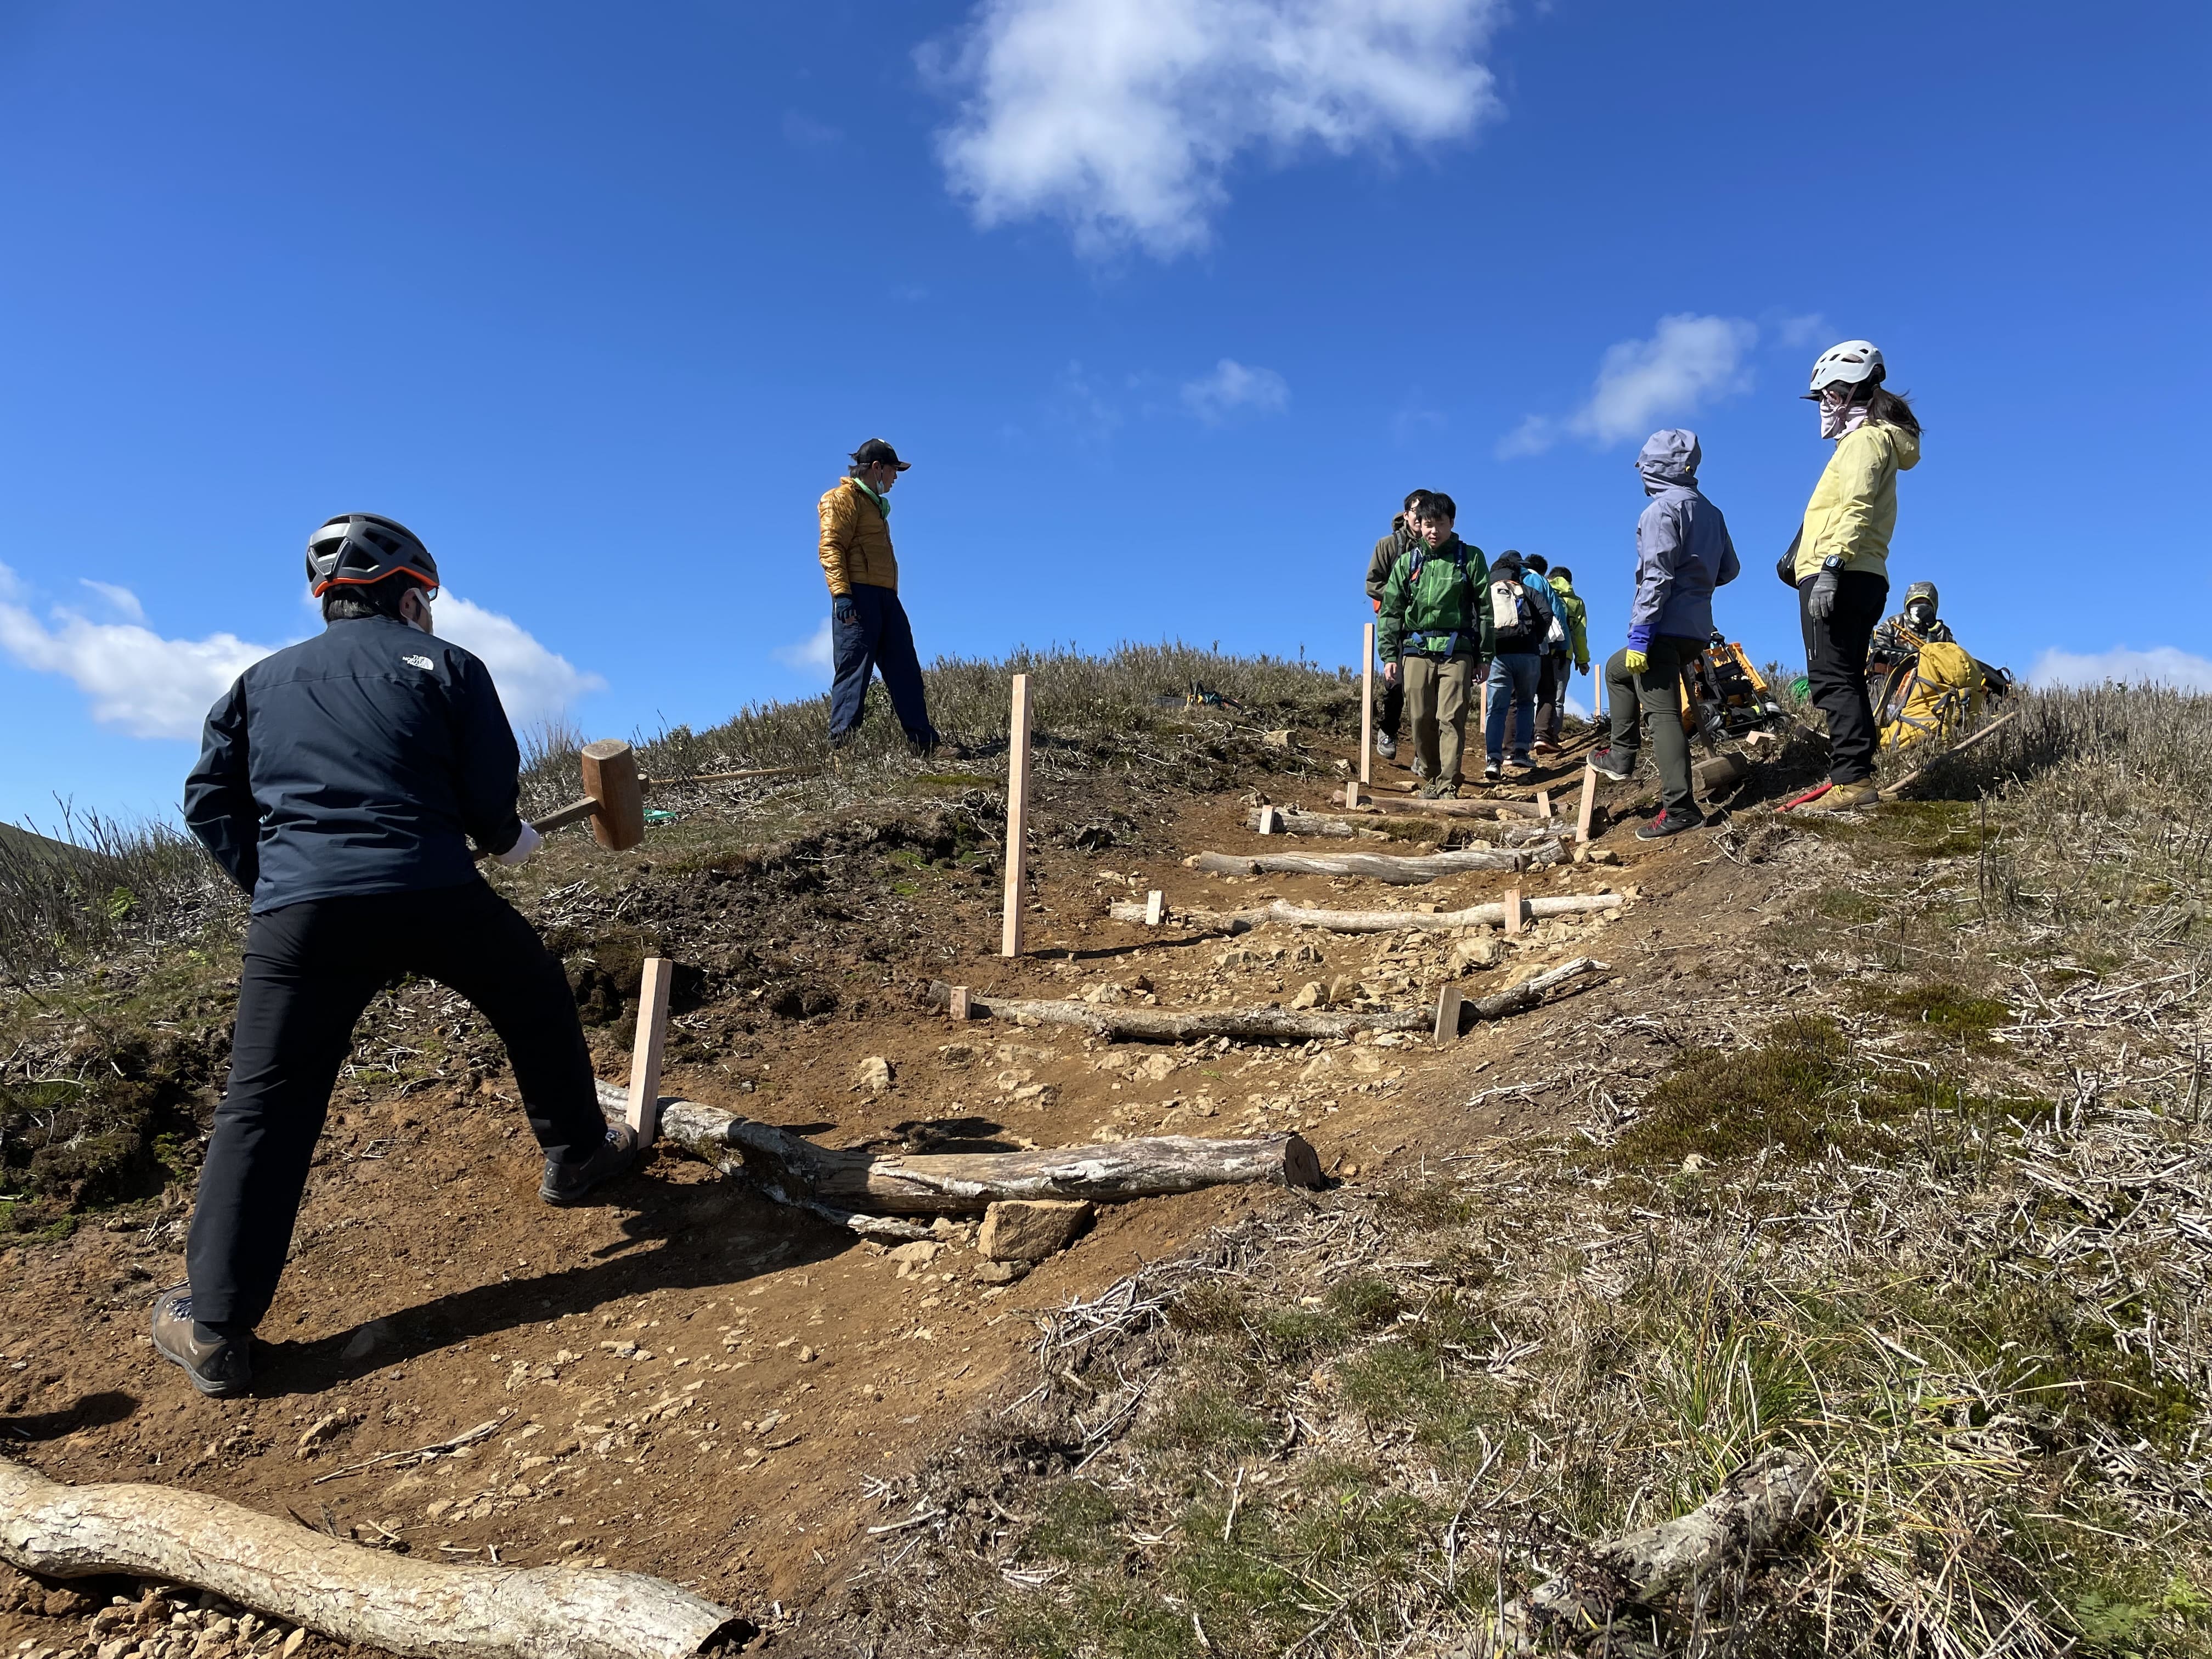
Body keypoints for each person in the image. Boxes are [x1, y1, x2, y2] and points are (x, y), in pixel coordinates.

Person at [160, 515, 636, 1399]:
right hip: (431, 890)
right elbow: (489, 794)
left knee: (264, 1101)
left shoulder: (254, 684)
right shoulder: (448, 665)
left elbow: (208, 801)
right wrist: (506, 837)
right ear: (412, 594)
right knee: (532, 994)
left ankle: (217, 1328)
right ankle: (577, 1155)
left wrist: (280, 884)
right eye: (427, 597)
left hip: (299, 916)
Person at [1781, 341, 1921, 812]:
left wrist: (1829, 569)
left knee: (1831, 679)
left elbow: (1856, 508)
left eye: (1827, 395)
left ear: (1848, 392)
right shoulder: (1875, 440)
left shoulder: (1864, 441)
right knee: (1847, 677)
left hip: (1840, 573)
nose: (1823, 406)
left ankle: (1853, 783)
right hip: (1863, 573)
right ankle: (1856, 775)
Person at [1590, 430, 1741, 839]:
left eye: (1644, 467)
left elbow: (1656, 577)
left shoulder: (1660, 512)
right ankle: (1620, 755)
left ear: (1655, 469)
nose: (1641, 475)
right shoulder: (1711, 512)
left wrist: (1640, 635)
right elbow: (1729, 570)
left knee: (1664, 715)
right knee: (1617, 671)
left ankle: (1679, 807)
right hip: (1696, 630)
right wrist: (1696, 587)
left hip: (1661, 628)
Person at [820, 438, 939, 754]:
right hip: (858, 597)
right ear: (876, 468)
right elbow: (831, 548)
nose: (896, 477)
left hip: (886, 598)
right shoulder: (841, 499)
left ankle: (924, 744)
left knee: (906, 670)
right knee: (854, 671)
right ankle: (841, 752)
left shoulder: (874, 505)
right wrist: (842, 594)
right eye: (893, 470)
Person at [1377, 495, 1493, 798]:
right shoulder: (1407, 563)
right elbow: (1391, 610)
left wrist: (1486, 656)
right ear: (1419, 525)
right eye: (1428, 524)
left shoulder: (1471, 558)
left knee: (1451, 717)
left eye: (1440, 524)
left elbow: (1485, 609)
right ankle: (1430, 775)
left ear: (1452, 523)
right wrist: (1389, 655)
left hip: (1459, 650)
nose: (1433, 531)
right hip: (1416, 650)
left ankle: (1448, 784)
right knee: (1419, 718)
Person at [1479, 548, 1561, 781]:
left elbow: (1478, 621)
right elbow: (1547, 615)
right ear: (1516, 573)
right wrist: (1535, 639)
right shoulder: (1528, 590)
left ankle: (1494, 759)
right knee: (1526, 703)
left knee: (1496, 709)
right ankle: (1522, 753)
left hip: (1498, 656)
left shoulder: (1487, 592)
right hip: (1529, 656)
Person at [1363, 491, 1429, 765]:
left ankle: (1422, 752)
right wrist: (1400, 596)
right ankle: (1387, 731)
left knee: (1425, 691)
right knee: (1395, 683)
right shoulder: (1387, 545)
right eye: (1416, 512)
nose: (1421, 518)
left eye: (1427, 513)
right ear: (1406, 514)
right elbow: (1372, 584)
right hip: (1395, 624)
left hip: (1427, 628)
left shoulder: (1438, 549)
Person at [1537, 563, 1592, 752]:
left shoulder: (1541, 590)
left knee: (1534, 694)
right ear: (1569, 582)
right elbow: (1579, 635)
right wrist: (1582, 661)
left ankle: (1531, 735)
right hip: (1563, 655)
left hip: (1539, 651)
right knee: (1557, 698)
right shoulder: (1577, 602)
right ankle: (1551, 736)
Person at [1867, 581, 1952, 679]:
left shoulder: (1940, 629)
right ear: (1909, 603)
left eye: (1927, 604)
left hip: (1932, 679)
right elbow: (1880, 650)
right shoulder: (1893, 623)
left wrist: (1933, 627)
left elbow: (1953, 655)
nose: (1922, 607)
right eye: (1918, 603)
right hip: (1895, 676)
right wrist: (1910, 659)